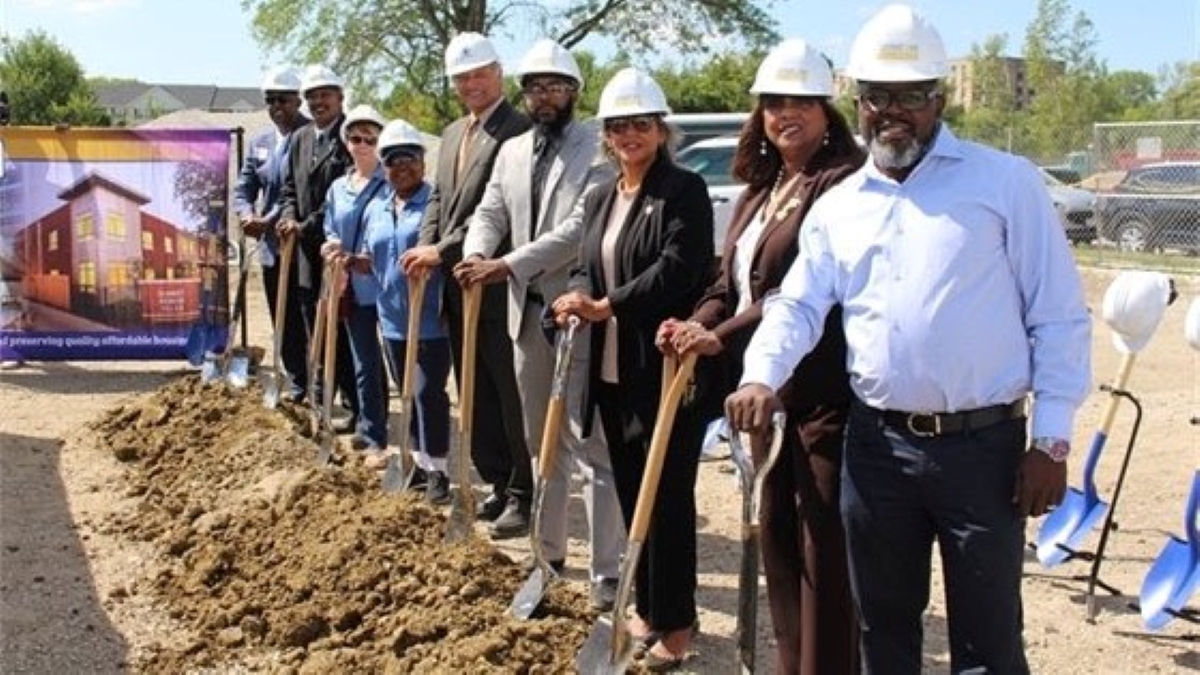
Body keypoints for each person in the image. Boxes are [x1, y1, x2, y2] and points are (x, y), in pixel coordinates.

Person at [724, 5, 1093, 674]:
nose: (892, 112)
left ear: (939, 101)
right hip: (876, 449)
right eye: (878, 97)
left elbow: (1059, 316)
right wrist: (760, 375)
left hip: (982, 451)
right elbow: (798, 305)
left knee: (988, 642)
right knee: (883, 632)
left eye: (911, 97)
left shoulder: (1003, 183)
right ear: (858, 104)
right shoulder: (840, 205)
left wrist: (1051, 441)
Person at [664, 38, 865, 675]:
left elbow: (795, 291)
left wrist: (719, 337)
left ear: (828, 111)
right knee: (776, 539)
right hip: (762, 395)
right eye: (775, 103)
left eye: (802, 102)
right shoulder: (762, 188)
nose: (786, 114)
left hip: (822, 395)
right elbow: (731, 283)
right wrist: (697, 323)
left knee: (822, 551)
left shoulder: (842, 184)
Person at [550, 67, 714, 671]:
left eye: (641, 124)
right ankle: (646, 607)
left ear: (661, 129)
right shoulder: (601, 195)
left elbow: (678, 267)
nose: (629, 135)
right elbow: (584, 264)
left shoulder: (684, 190)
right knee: (630, 493)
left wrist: (607, 305)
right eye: (618, 126)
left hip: (663, 371)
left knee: (667, 499)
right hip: (612, 372)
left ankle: (679, 621)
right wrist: (576, 296)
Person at [453, 38, 624, 609]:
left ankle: (606, 573)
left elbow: (579, 227)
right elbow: (490, 210)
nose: (544, 96)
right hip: (524, 317)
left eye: (555, 86)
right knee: (540, 441)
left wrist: (507, 264)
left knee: (589, 441)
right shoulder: (513, 150)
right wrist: (477, 254)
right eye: (535, 88)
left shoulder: (597, 147)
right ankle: (547, 554)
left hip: (576, 311)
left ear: (574, 91)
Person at [400, 32, 534, 539]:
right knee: (475, 393)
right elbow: (440, 200)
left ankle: (523, 491)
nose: (471, 84)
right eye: (462, 78)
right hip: (457, 288)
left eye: (479, 74)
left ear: (499, 74)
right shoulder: (455, 132)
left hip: (498, 283)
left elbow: (494, 210)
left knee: (508, 392)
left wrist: (443, 250)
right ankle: (497, 480)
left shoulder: (518, 130)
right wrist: (425, 246)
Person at [363, 119, 453, 504]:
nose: (402, 167)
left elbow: (448, 251)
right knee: (407, 394)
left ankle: (439, 470)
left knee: (428, 393)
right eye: (393, 160)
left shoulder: (435, 204)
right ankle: (416, 462)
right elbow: (372, 257)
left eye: (410, 158)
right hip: (392, 320)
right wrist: (347, 259)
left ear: (422, 162)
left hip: (431, 318)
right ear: (383, 166)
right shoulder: (377, 208)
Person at [278, 64, 353, 425]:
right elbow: (289, 188)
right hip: (306, 254)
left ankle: (355, 405)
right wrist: (288, 218)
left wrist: (305, 225)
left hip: (340, 249)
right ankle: (321, 399)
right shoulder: (300, 138)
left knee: (344, 328)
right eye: (312, 97)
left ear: (340, 97)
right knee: (315, 326)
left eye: (325, 95)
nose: (318, 102)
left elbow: (344, 196)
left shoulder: (351, 135)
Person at [234, 65, 310, 401]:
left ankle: (321, 384)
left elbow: (297, 192)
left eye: (283, 99)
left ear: (298, 101)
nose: (277, 106)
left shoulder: (311, 136)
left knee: (308, 317)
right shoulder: (260, 142)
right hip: (270, 249)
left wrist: (269, 218)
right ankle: (297, 382)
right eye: (271, 100)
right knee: (283, 319)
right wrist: (247, 214)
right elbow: (244, 187)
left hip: (302, 245)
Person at [319, 105, 391, 452]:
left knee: (396, 359)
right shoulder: (338, 187)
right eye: (355, 138)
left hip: (387, 285)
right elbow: (331, 226)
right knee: (364, 361)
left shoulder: (391, 182)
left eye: (369, 139)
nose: (362, 145)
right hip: (351, 287)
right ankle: (372, 428)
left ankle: (414, 433)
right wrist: (331, 246)